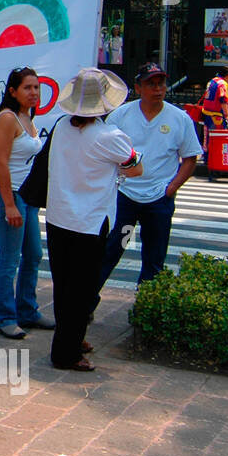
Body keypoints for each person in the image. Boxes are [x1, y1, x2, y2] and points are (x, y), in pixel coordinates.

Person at [45, 68, 143, 371]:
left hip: (59, 215)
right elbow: (135, 167)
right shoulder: (109, 136)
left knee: (64, 286)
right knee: (82, 289)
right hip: (88, 221)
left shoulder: (61, 125)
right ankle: (66, 353)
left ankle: (72, 338)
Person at [93, 63, 202, 296]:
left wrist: (170, 188)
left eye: (161, 83)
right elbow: (103, 152)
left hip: (158, 201)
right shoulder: (120, 116)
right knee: (113, 249)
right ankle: (87, 304)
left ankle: (146, 306)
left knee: (154, 257)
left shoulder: (179, 118)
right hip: (125, 197)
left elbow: (190, 158)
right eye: (150, 84)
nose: (157, 88)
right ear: (138, 87)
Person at [0, 67, 47, 340]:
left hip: (27, 196)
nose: (33, 92)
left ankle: (27, 310)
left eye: (36, 87)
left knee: (33, 255)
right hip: (7, 195)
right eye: (27, 88)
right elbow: (1, 161)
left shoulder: (27, 116)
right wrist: (10, 204)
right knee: (10, 259)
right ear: (13, 91)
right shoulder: (7, 118)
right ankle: (3, 317)